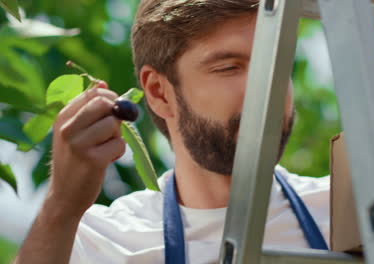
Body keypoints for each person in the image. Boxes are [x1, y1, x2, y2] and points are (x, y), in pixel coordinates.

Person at [15, 0, 330, 263]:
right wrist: (61, 206)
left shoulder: (345, 209)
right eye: (229, 68)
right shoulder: (100, 244)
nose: (266, 88)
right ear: (159, 92)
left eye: (276, 63)